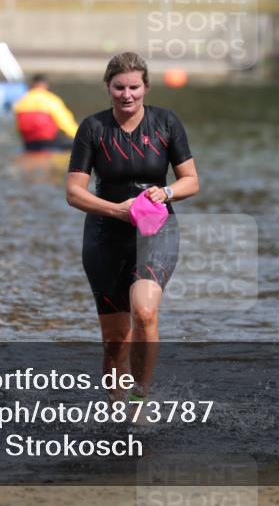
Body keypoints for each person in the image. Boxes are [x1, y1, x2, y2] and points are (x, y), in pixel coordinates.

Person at [66, 52, 199, 404]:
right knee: (115, 341)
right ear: (108, 88)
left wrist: (166, 190)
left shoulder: (166, 123)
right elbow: (74, 192)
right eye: (119, 87)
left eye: (134, 87)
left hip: (156, 230)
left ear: (146, 87)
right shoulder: (93, 129)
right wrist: (116, 210)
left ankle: (141, 400)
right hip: (104, 236)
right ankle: (117, 408)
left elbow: (191, 182)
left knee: (144, 310)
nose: (127, 95)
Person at [13, 75, 78, 152]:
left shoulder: (21, 100)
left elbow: (18, 125)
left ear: (31, 85)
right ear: (45, 85)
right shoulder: (51, 99)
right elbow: (65, 122)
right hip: (48, 141)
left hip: (29, 143)